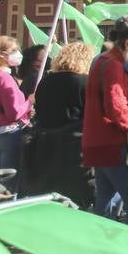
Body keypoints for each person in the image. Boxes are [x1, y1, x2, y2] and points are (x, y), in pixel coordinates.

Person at [82, 23, 128, 230]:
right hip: (115, 143)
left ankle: (104, 252)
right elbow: (116, 107)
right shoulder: (113, 64)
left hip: (99, 143)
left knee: (105, 207)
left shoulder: (103, 62)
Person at [21, 41, 91, 205]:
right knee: (76, 194)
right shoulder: (85, 82)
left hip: (46, 143)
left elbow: (39, 108)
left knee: (52, 191)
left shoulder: (45, 81)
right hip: (74, 144)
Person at [0, 36, 31, 184]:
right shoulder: (5, 78)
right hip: (10, 134)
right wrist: (29, 102)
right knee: (9, 182)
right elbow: (14, 112)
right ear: (1, 54)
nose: (18, 54)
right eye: (14, 50)